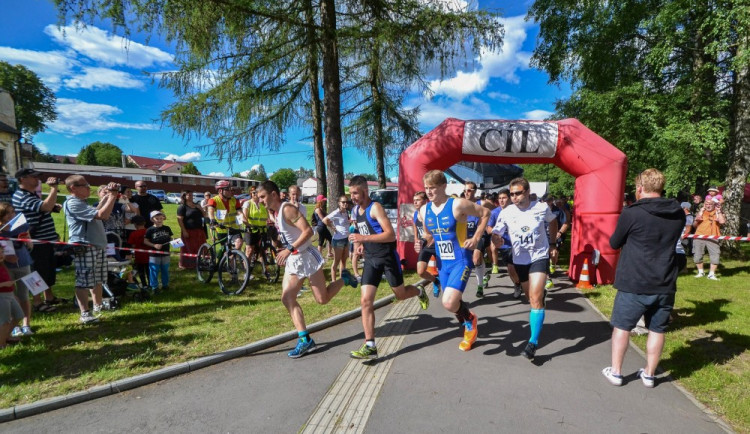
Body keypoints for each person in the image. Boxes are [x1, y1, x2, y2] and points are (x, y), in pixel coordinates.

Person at [602, 168, 684, 388]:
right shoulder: (678, 213)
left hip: (635, 281)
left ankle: (617, 371)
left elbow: (614, 243)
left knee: (622, 326)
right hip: (665, 280)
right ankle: (649, 374)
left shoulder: (632, 213)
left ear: (640, 188)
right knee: (657, 329)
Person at [257, 180, 357, 358]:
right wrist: (284, 247)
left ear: (273, 194)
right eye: (259, 198)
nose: (261, 201)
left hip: (306, 258)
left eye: (263, 197)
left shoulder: (287, 209)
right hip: (294, 260)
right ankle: (305, 340)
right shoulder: (275, 211)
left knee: (322, 299)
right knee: (287, 298)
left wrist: (289, 249)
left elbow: (308, 232)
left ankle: (345, 279)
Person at [347, 176, 430, 359]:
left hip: (387, 258)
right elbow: (362, 231)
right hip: (370, 260)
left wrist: (364, 239)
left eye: (355, 193)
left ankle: (418, 291)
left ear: (365, 191)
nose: (352, 196)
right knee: (365, 301)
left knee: (400, 295)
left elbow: (391, 235)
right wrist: (360, 244)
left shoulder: (375, 207)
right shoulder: (355, 211)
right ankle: (370, 345)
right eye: (350, 192)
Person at [420, 171, 489, 352]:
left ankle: (470, 322)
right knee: (452, 302)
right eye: (426, 188)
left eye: (433, 188)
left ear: (443, 187)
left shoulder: (457, 204)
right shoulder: (423, 210)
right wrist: (427, 237)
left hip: (460, 260)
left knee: (449, 302)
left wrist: (476, 238)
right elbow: (430, 232)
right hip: (443, 263)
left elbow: (486, 213)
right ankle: (467, 319)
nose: (429, 192)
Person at [492, 177, 557, 360]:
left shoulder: (541, 207)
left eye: (518, 193)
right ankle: (539, 302)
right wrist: (497, 240)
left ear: (527, 192)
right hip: (520, 259)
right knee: (531, 297)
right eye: (511, 194)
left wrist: (552, 244)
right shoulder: (507, 212)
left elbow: (552, 222)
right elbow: (497, 233)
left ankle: (533, 342)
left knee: (535, 298)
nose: (514, 197)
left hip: (539, 256)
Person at [64, 176, 120, 324]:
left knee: (98, 280)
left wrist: (107, 196)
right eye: (85, 185)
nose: (89, 188)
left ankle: (98, 306)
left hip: (97, 245)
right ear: (73, 188)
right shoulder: (73, 203)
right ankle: (85, 313)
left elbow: (95, 211)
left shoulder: (82, 203)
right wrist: (113, 196)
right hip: (85, 245)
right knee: (84, 281)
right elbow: (102, 215)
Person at [12, 169, 62, 313]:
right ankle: (38, 302)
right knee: (36, 273)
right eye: (33, 177)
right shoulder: (21, 195)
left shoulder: (30, 194)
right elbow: (44, 207)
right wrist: (53, 188)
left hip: (44, 240)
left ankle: (49, 297)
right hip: (35, 242)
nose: (37, 180)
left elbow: (41, 208)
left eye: (37, 177)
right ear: (22, 179)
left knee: (47, 270)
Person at [0, 202, 34, 337]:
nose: (11, 215)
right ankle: (15, 326)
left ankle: (26, 324)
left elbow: (31, 247)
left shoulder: (22, 227)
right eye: (7, 213)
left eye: (13, 212)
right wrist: (6, 259)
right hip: (6, 267)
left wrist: (27, 242)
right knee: (10, 297)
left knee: (24, 295)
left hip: (24, 263)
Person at [463, 182, 491, 297]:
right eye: (464, 190)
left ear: (475, 191)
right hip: (467, 237)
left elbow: (494, 209)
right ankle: (484, 274)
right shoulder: (461, 205)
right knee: (477, 260)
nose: (466, 193)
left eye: (469, 190)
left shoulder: (482, 203)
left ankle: (480, 287)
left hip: (479, 236)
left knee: (475, 259)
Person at [412, 191, 440, 297]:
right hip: (426, 246)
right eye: (414, 200)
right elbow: (415, 226)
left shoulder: (432, 213)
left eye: (418, 200)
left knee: (444, 271)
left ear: (425, 201)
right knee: (420, 271)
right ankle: (435, 280)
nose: (415, 202)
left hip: (437, 245)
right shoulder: (415, 214)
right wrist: (416, 240)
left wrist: (432, 237)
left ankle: (452, 296)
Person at [692, 197, 725, 280]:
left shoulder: (718, 212)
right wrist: (697, 219)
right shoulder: (701, 212)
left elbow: (722, 222)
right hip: (699, 236)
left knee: (715, 255)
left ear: (714, 205)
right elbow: (694, 225)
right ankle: (700, 272)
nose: (708, 206)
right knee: (697, 255)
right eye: (706, 204)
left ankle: (711, 274)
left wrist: (719, 211)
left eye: (710, 204)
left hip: (713, 236)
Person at [207, 180, 243, 250]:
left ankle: (232, 259)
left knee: (239, 243)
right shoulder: (213, 200)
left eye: (231, 189)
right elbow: (210, 210)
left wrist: (243, 222)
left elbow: (239, 212)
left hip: (234, 228)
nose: (230, 191)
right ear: (220, 191)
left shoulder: (234, 200)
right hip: (222, 229)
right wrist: (212, 219)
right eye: (228, 189)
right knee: (226, 250)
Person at [323, 195, 352, 280]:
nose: (345, 204)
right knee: (336, 261)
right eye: (343, 202)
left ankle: (342, 279)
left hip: (346, 238)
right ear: (339, 203)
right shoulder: (336, 212)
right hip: (338, 239)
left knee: (344, 260)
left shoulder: (346, 212)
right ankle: (333, 280)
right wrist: (332, 227)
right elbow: (324, 220)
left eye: (347, 202)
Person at [242, 187, 270, 275]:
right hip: (251, 230)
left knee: (263, 250)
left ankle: (265, 270)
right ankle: (246, 273)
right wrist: (249, 225)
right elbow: (244, 218)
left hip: (262, 230)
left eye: (257, 193)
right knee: (249, 251)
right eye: (254, 193)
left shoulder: (263, 204)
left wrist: (272, 222)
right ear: (251, 194)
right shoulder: (248, 203)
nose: (256, 194)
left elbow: (268, 216)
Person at [143, 210, 173, 292]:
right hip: (154, 254)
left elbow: (170, 238)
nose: (159, 220)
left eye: (161, 218)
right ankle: (154, 287)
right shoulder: (150, 230)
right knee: (154, 270)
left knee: (165, 270)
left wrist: (173, 240)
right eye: (157, 218)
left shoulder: (167, 228)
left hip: (166, 253)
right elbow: (145, 241)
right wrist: (154, 245)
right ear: (152, 219)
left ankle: (165, 285)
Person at [176, 190, 206, 269]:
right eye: (189, 195)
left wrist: (201, 208)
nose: (191, 196)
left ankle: (200, 262)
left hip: (199, 230)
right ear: (184, 197)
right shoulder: (182, 207)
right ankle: (188, 264)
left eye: (192, 195)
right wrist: (184, 231)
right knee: (189, 248)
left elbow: (204, 215)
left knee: (200, 247)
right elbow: (179, 220)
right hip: (188, 230)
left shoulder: (197, 205)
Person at [0, 248, 23, 348]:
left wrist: (13, 294)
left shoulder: (2, 265)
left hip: (9, 295)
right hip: (2, 296)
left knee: (19, 315)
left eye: (2, 252)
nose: (1, 255)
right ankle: (1, 344)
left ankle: (5, 336)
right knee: (5, 321)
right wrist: (4, 284)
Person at [127, 215, 150, 288]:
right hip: (149, 256)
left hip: (139, 257)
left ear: (135, 224)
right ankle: (150, 284)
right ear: (145, 223)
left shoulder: (133, 234)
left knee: (141, 272)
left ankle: (144, 284)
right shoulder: (149, 231)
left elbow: (132, 245)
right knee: (149, 271)